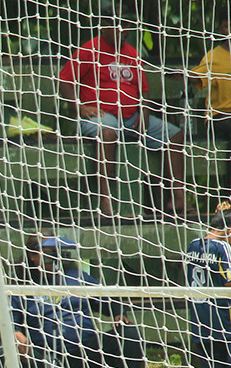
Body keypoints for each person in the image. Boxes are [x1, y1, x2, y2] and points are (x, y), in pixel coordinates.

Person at [59, 8, 188, 220]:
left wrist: (144, 112)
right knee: (108, 131)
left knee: (174, 134)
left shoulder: (132, 53)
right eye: (119, 26)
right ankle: (105, 198)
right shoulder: (89, 49)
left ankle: (178, 198)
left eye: (127, 26)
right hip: (100, 116)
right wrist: (79, 106)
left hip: (131, 119)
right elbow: (64, 80)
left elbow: (143, 91)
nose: (125, 31)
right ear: (105, 27)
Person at [9, 235, 145, 368]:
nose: (54, 257)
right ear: (32, 255)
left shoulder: (76, 277)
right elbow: (8, 321)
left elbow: (109, 300)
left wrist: (118, 312)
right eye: (47, 253)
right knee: (4, 354)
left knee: (130, 334)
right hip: (42, 357)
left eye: (57, 252)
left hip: (85, 353)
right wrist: (16, 334)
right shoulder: (21, 284)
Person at [186, 202, 231, 368]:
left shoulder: (192, 246)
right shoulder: (223, 248)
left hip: (199, 321)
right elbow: (229, 282)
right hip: (221, 321)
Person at [184, 13, 231, 198]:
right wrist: (186, 75)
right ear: (220, 29)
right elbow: (198, 76)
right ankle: (228, 196)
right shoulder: (214, 56)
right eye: (227, 26)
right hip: (219, 116)